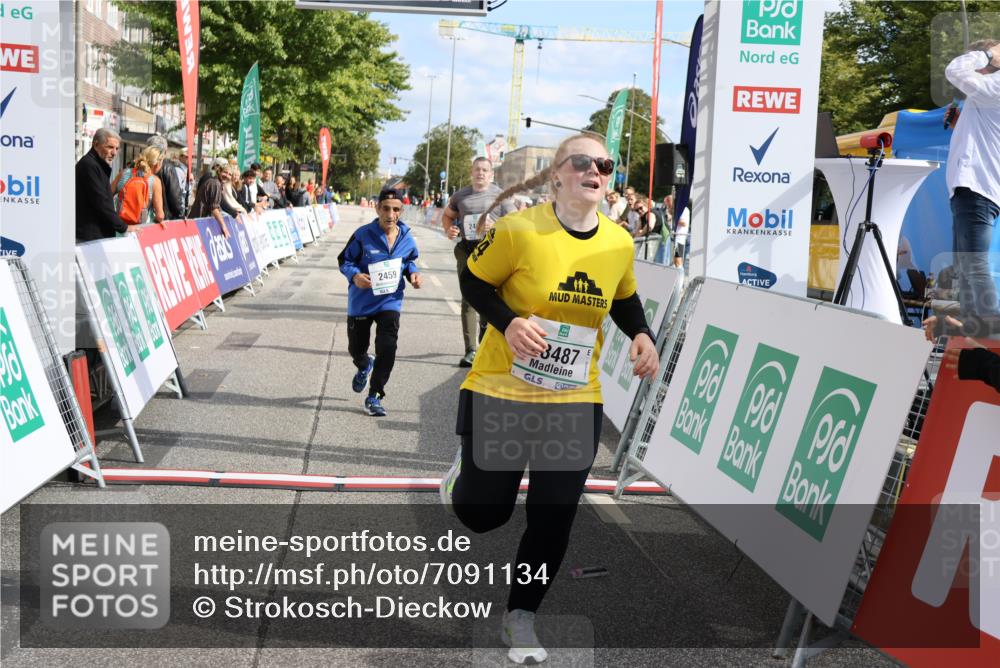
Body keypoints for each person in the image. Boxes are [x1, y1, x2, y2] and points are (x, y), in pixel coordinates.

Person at [439, 134, 659, 664]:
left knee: (554, 513)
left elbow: (624, 297)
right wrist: (509, 322)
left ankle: (521, 616)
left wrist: (643, 334)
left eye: (603, 164)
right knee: (483, 514)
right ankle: (463, 480)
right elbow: (473, 280)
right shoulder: (520, 230)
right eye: (582, 162)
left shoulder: (618, 243)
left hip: (574, 396)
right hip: (501, 389)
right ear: (557, 175)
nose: (595, 170)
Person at [337, 188, 422, 417]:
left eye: (396, 209)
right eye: (386, 208)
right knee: (356, 349)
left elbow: (410, 259)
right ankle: (364, 365)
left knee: (388, 348)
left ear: (401, 211)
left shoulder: (406, 237)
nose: (391, 214)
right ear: (377, 208)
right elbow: (344, 260)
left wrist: (413, 273)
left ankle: (375, 395)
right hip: (362, 302)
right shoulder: (362, 235)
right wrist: (355, 276)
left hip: (390, 302)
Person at [442, 157, 517, 367]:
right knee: (468, 299)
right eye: (477, 169)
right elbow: (447, 216)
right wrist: (449, 229)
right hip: (467, 250)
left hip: (491, 252)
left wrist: (496, 225)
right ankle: (470, 350)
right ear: (471, 172)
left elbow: (516, 222)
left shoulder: (502, 195)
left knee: (488, 299)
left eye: (485, 170)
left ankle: (485, 344)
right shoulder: (460, 195)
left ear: (491, 174)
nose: (480, 173)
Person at [945, 39, 1000, 317]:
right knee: (967, 272)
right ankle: (971, 343)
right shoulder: (985, 94)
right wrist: (960, 124)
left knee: (974, 269)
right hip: (972, 190)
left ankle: (990, 343)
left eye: (978, 63)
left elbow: (955, 70)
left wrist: (989, 54)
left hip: (976, 190)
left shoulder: (996, 85)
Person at [75, 129, 128, 242]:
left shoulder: (98, 165)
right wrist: (123, 227)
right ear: (96, 145)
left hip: (96, 235)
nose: (114, 153)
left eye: (117, 148)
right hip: (90, 237)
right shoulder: (89, 165)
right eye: (110, 147)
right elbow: (101, 202)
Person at [111, 146, 167, 228]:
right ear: (157, 164)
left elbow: (107, 196)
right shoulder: (155, 181)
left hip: (120, 227)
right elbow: (160, 215)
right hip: (141, 229)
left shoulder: (124, 173)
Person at [190, 162, 232, 238]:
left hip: (199, 221)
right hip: (197, 222)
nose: (227, 176)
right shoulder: (215, 183)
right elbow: (214, 209)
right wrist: (224, 226)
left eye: (230, 174)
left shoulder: (218, 183)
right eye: (225, 172)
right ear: (219, 171)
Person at [673, 199, 690, 270]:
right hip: (678, 239)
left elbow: (684, 223)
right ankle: (679, 279)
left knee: (678, 262)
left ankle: (680, 280)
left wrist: (674, 219)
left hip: (679, 239)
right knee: (676, 261)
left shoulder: (684, 209)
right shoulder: (683, 209)